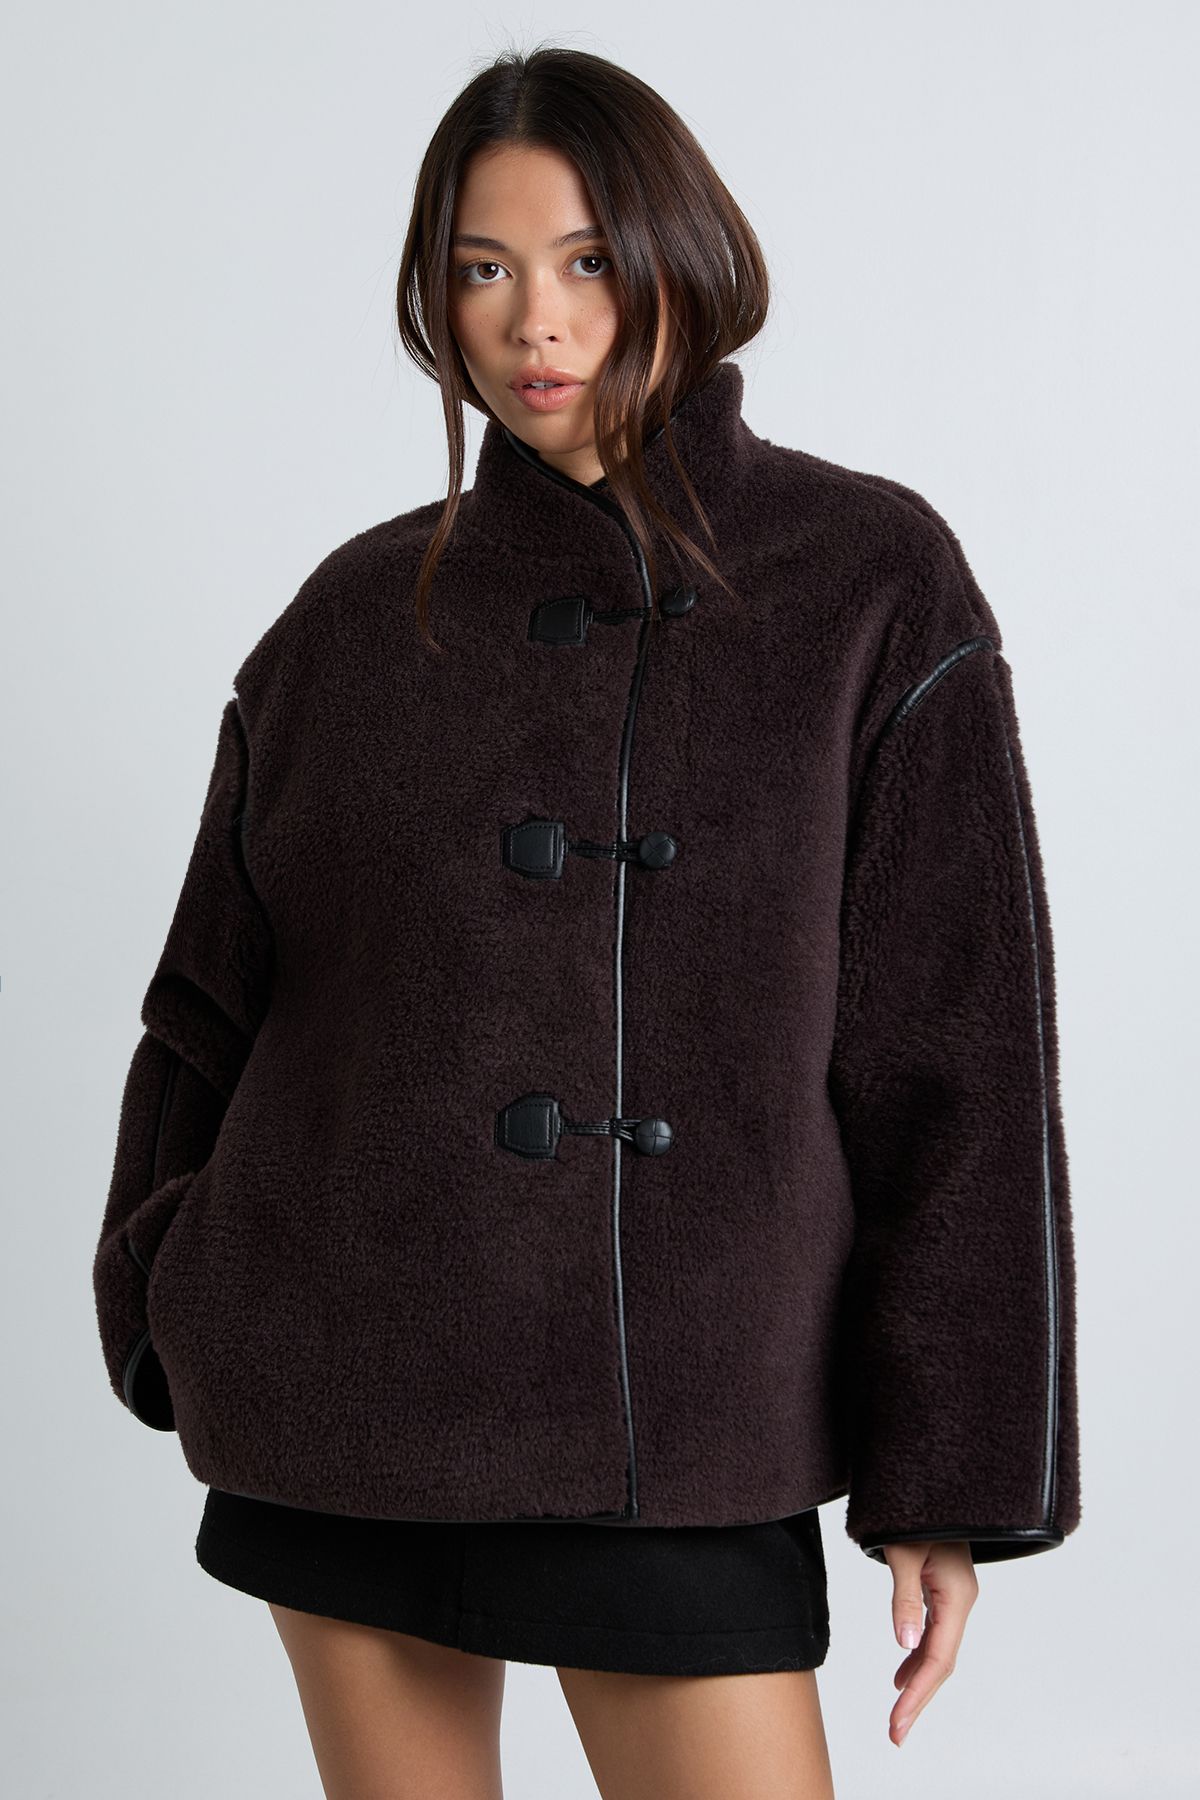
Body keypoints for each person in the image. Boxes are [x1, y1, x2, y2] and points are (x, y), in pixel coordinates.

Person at [91, 43, 1081, 1800]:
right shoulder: (351, 615)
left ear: (682, 256)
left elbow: (960, 1062)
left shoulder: (867, 581)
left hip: (688, 1433)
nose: (533, 321)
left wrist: (949, 1477)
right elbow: (206, 1011)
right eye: (482, 267)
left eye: (587, 259)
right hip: (341, 1400)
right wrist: (168, 1294)